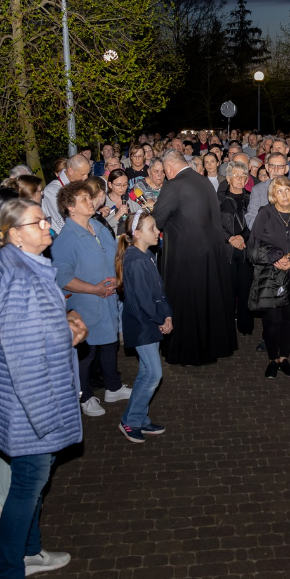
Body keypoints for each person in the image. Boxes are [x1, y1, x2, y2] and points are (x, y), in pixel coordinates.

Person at [0, 198, 86, 579]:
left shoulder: (20, 264)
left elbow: (33, 329)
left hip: (24, 400)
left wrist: (65, 324)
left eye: (45, 220)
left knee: (34, 482)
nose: (48, 228)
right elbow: (23, 355)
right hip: (29, 405)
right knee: (27, 487)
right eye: (38, 223)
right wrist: (45, 417)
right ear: (13, 233)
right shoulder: (20, 276)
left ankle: (29, 551)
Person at [152, 152, 237, 366]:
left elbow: (157, 220)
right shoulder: (204, 181)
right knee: (207, 302)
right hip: (210, 253)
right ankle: (209, 349)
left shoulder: (173, 185)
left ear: (169, 168)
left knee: (188, 304)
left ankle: (189, 353)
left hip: (186, 256)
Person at [52, 178, 126, 417]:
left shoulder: (98, 226)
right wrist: (94, 289)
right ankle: (85, 397)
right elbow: (63, 277)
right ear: (70, 207)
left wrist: (118, 278)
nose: (90, 201)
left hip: (108, 299)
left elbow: (115, 256)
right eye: (83, 199)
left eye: (89, 196)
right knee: (87, 353)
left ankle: (113, 387)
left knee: (109, 344)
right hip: (85, 304)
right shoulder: (66, 238)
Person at [114, 211, 171, 443]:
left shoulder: (145, 255)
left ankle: (138, 417)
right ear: (137, 234)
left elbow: (159, 290)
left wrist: (167, 314)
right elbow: (145, 300)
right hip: (142, 326)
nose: (157, 232)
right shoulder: (136, 260)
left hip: (150, 323)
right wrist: (161, 319)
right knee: (154, 374)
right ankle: (131, 421)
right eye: (151, 228)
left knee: (147, 372)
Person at [248, 176, 290, 378]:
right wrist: (275, 259)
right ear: (273, 196)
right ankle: (272, 359)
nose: (284, 194)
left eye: (287, 190)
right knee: (272, 320)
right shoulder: (264, 214)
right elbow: (253, 246)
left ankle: (284, 358)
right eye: (279, 191)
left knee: (289, 318)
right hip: (271, 275)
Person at [218, 161, 254, 336]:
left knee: (246, 289)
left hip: (246, 249)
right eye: (236, 175)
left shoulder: (252, 198)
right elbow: (212, 223)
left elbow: (256, 222)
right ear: (228, 178)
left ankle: (245, 325)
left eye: (243, 176)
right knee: (227, 291)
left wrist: (242, 237)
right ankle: (226, 327)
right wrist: (230, 238)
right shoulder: (219, 199)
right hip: (227, 250)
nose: (240, 179)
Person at [42, 155, 91, 233]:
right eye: (82, 174)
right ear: (70, 171)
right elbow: (64, 218)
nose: (86, 178)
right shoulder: (52, 191)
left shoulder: (77, 184)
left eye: (88, 174)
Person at [103, 169, 131, 233]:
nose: (122, 188)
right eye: (118, 185)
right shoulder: (103, 203)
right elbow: (101, 229)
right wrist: (118, 215)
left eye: (125, 184)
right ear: (110, 185)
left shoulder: (131, 201)